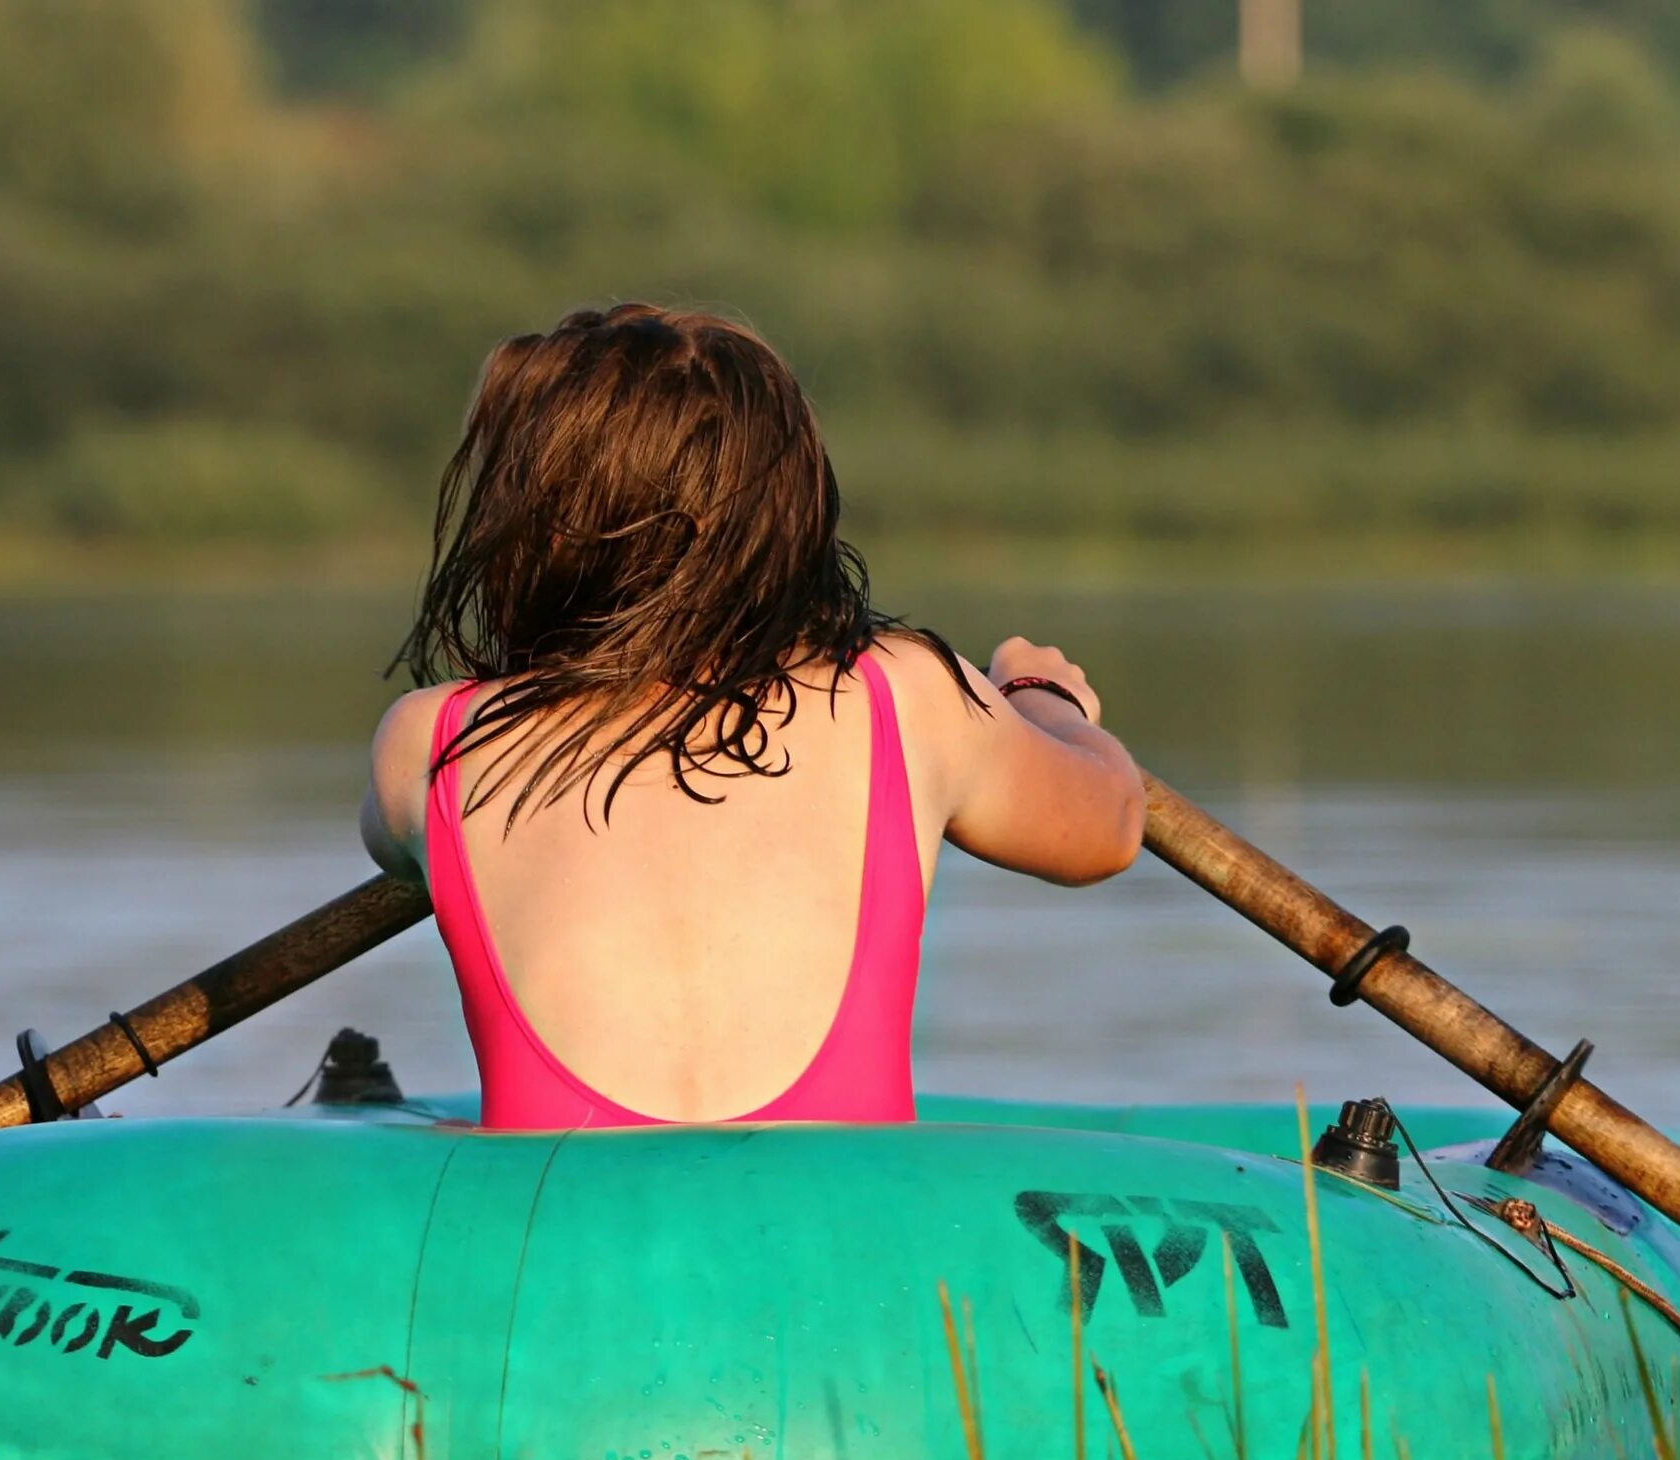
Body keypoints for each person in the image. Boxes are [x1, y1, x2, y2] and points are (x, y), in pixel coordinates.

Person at [361, 303, 1145, 1129]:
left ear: (532, 524)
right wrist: (1040, 702)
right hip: (847, 1247)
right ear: (794, 511)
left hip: (560, 1248)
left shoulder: (433, 742)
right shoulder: (906, 696)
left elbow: (400, 847)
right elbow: (1111, 825)